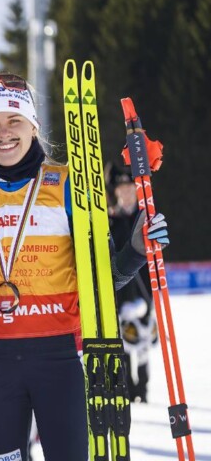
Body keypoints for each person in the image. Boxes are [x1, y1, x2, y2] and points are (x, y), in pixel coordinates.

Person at [0, 73, 170, 460]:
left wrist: (133, 252)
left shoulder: (68, 185)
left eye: (14, 121)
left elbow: (101, 281)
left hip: (61, 360)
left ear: (33, 126)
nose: (4, 133)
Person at [106, 161, 161, 403]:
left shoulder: (144, 219)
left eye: (130, 188)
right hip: (120, 292)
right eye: (121, 189)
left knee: (144, 344)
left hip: (144, 291)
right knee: (123, 342)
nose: (126, 192)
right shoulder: (109, 221)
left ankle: (144, 387)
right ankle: (127, 385)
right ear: (115, 192)